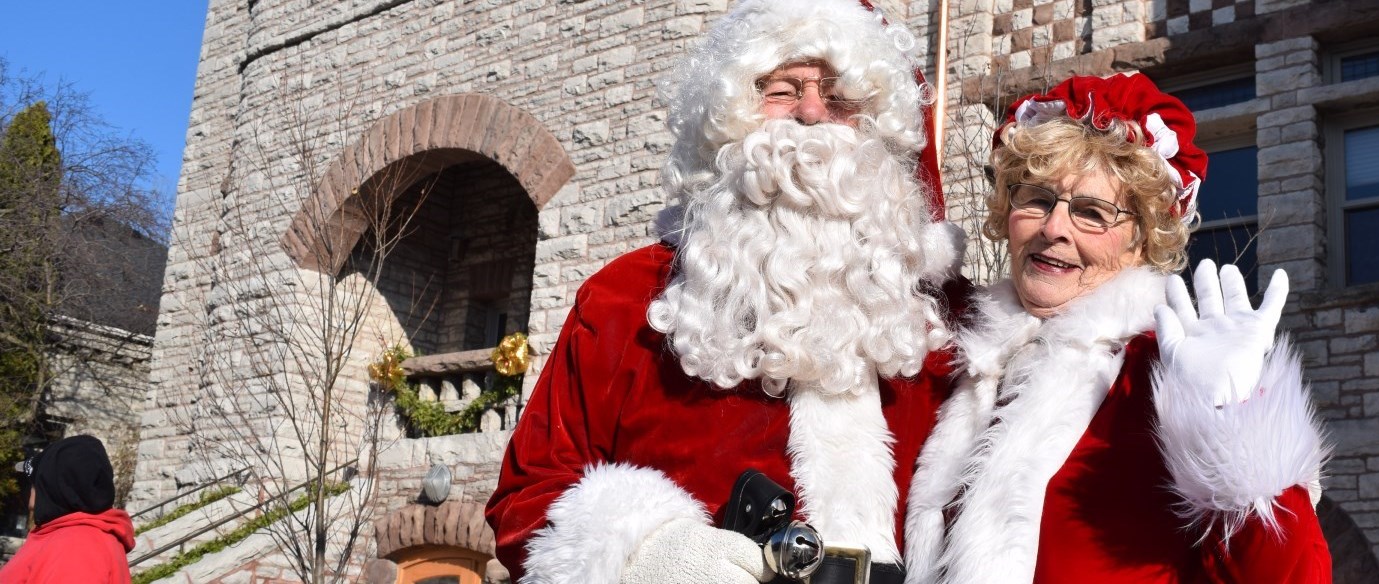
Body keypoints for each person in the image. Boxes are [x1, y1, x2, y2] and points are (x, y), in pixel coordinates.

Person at [484, 1, 966, 583]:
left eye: (840, 96)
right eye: (782, 90)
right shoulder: (623, 300)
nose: (811, 114)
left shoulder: (949, 317)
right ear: (730, 116)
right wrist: (646, 555)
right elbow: (529, 497)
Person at [902, 74, 1333, 583]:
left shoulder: (1164, 378)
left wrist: (1233, 425)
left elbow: (1290, 575)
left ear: (1142, 240)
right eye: (1037, 199)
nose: (1054, 228)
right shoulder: (956, 361)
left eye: (1092, 213)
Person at [0, 435, 135, 584]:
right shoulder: (68, 536)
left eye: (34, 481)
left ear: (51, 484)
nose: (30, 489)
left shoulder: (76, 546)